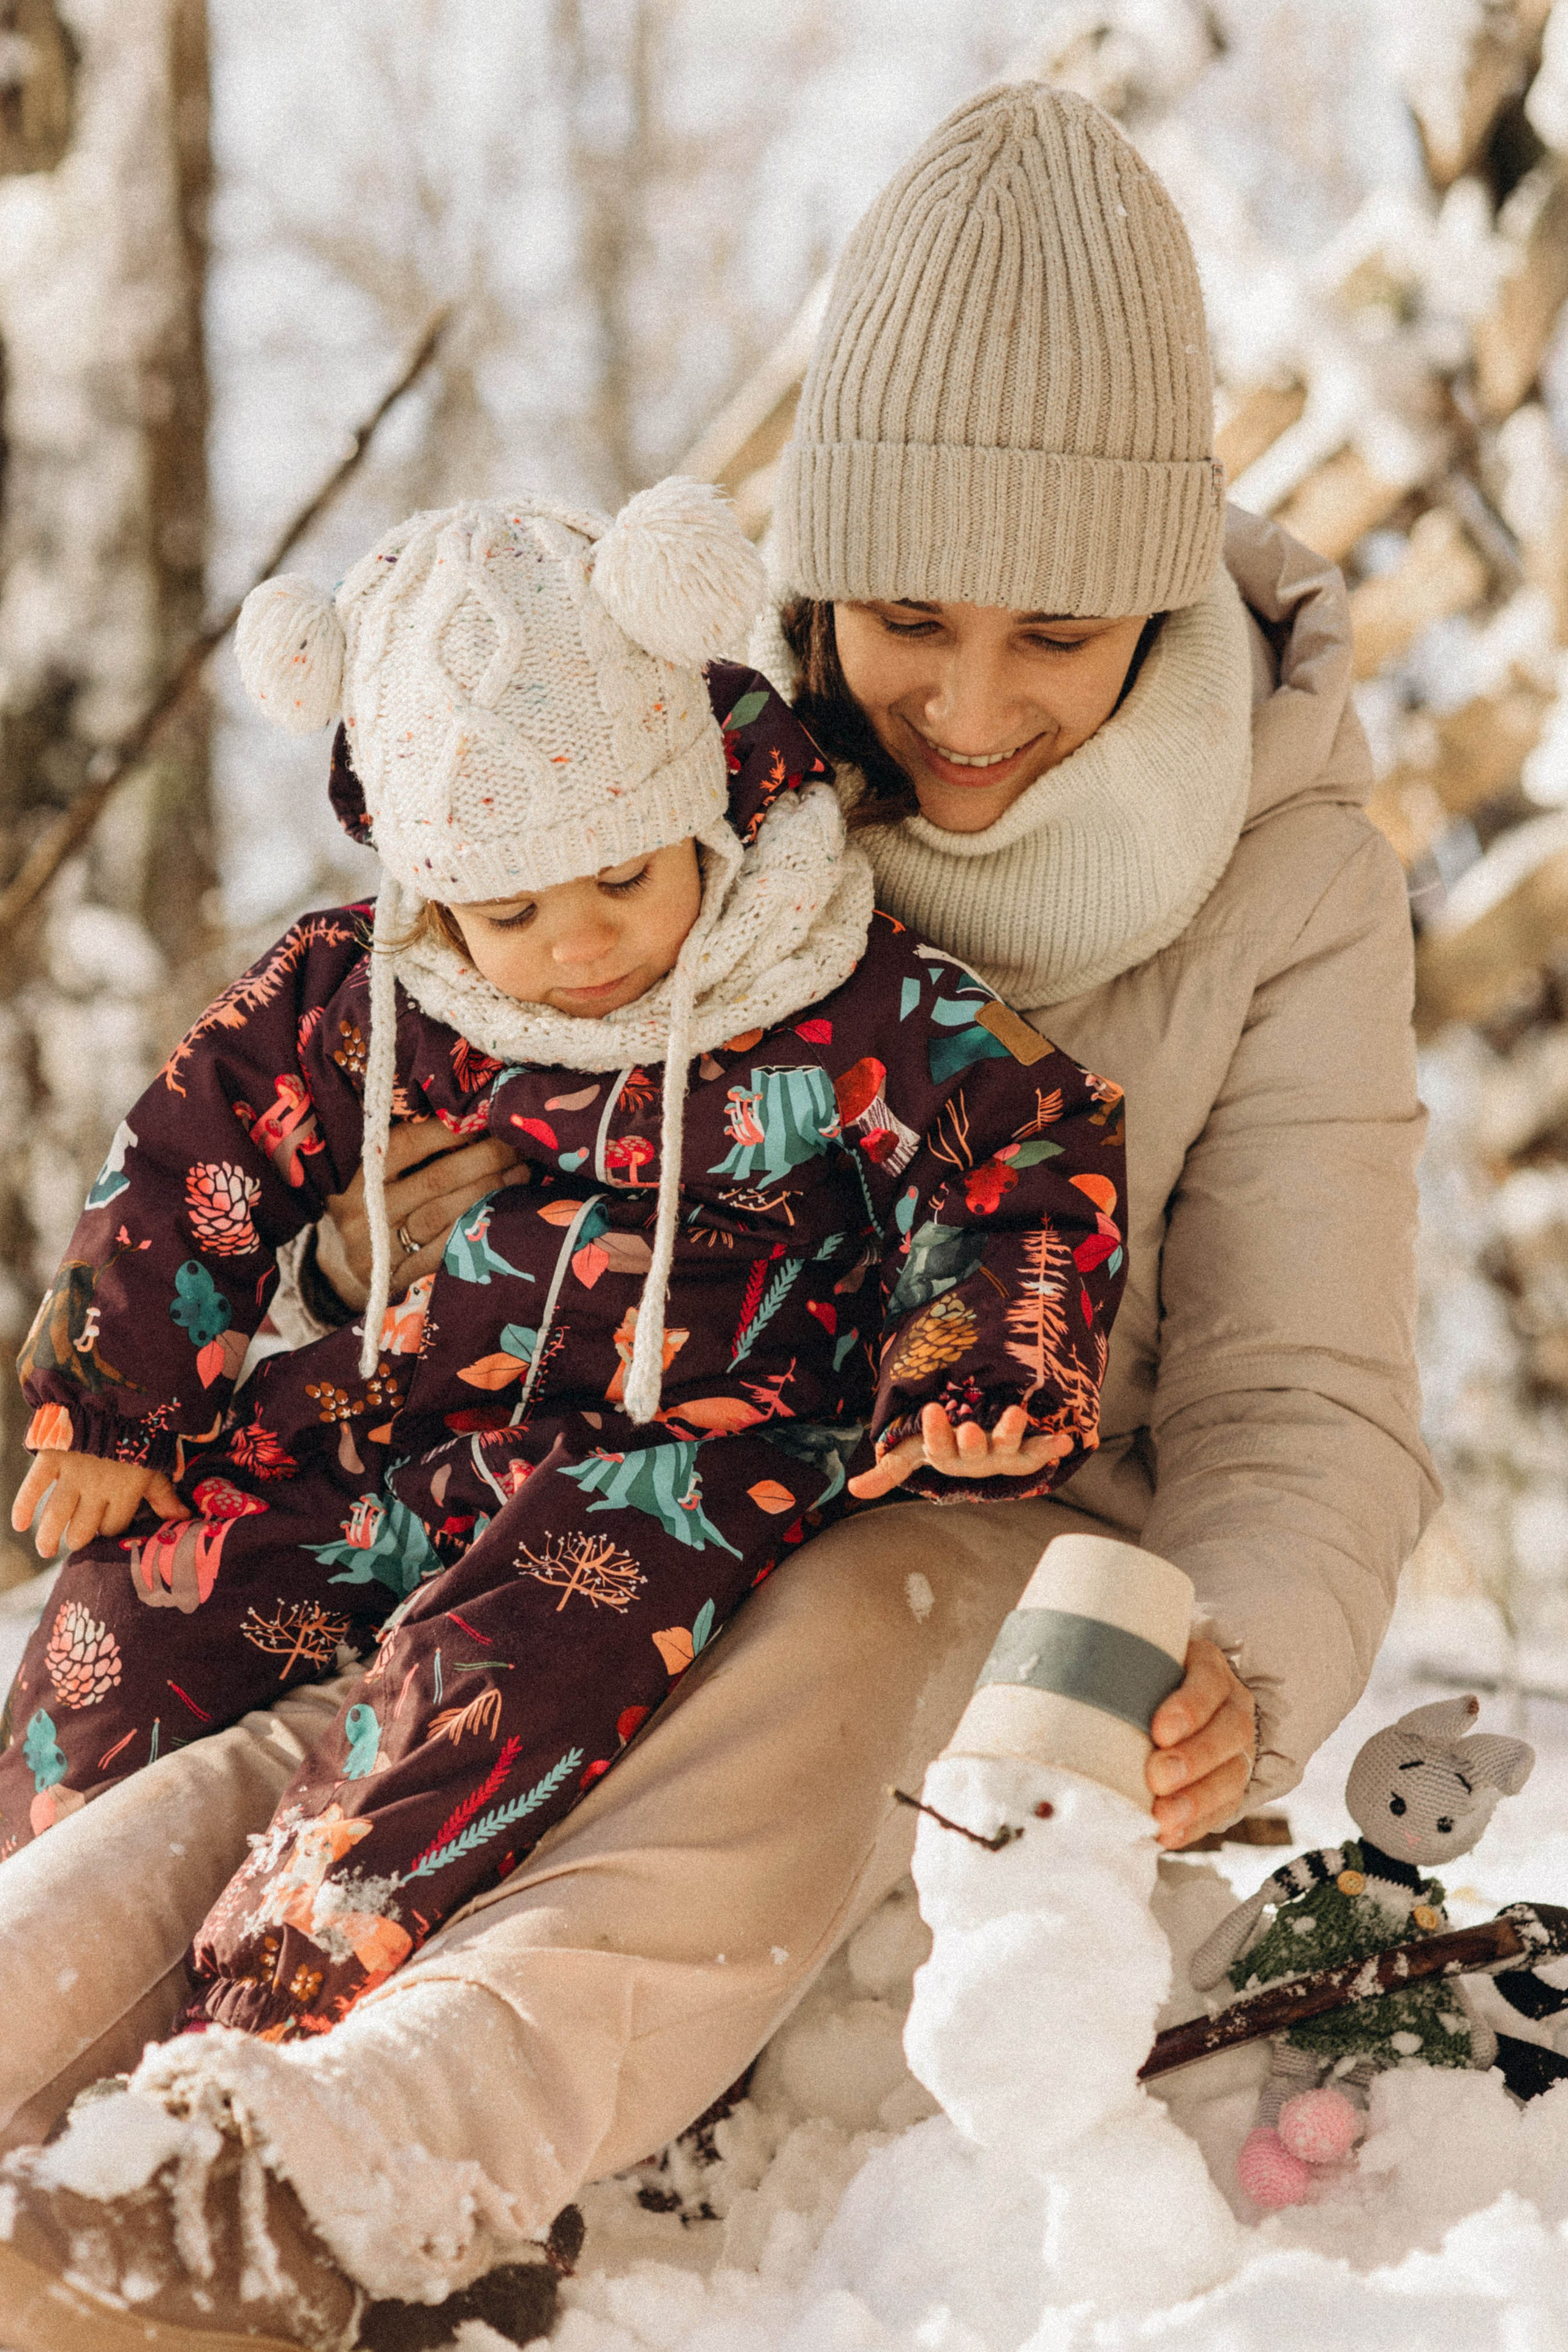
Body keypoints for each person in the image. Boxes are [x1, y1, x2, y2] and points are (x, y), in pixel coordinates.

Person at [0, 79, 1434, 2352]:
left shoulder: (1291, 880)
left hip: (972, 1521)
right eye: (908, 615)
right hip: (567, 1469)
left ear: (1161, 595)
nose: (972, 706)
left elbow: (1307, 1393)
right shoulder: (651, 761)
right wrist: (393, 1253)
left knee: (816, 1639)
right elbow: (389, 1046)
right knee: (343, 1698)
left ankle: (342, 2168)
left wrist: (1239, 1664)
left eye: (1061, 633)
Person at [0, 478, 1126, 2046]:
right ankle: (33, 1936)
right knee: (135, 1602)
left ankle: (269, 2017)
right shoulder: (370, 987)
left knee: (491, 1681)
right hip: (400, 1419)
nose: (581, 945)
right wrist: (117, 1404)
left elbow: (1020, 1152)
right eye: (513, 908)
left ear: (701, 815)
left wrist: (979, 1364)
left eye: (625, 878)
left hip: (674, 1460)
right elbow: (199, 1151)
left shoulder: (834, 988)